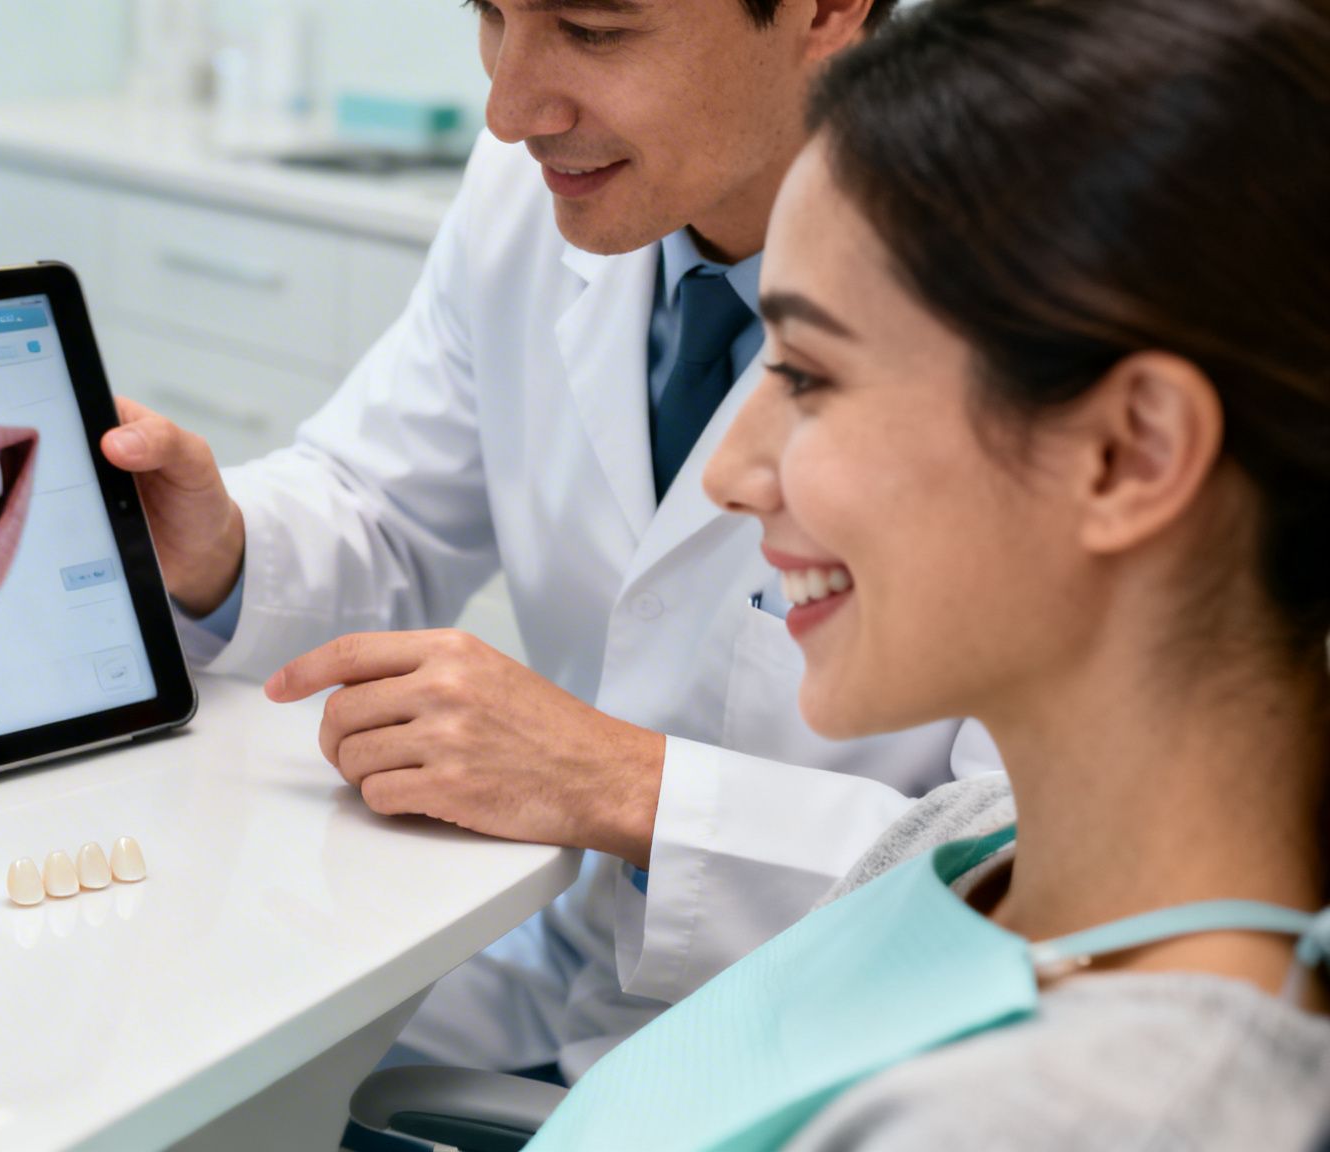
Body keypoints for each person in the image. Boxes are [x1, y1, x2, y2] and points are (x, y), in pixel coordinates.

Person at [100, 0, 1001, 1078]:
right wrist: (222, 552)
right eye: (490, 14)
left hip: (846, 1050)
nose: (507, 110)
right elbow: (384, 503)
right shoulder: (544, 195)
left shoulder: (1036, 291)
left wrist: (623, 785)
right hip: (548, 971)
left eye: (591, 30)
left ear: (820, 10)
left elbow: (1049, 873)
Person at [523, 0, 1330, 1145]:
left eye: (806, 374)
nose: (732, 472)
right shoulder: (973, 848)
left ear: (1125, 454)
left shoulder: (1092, 1117)